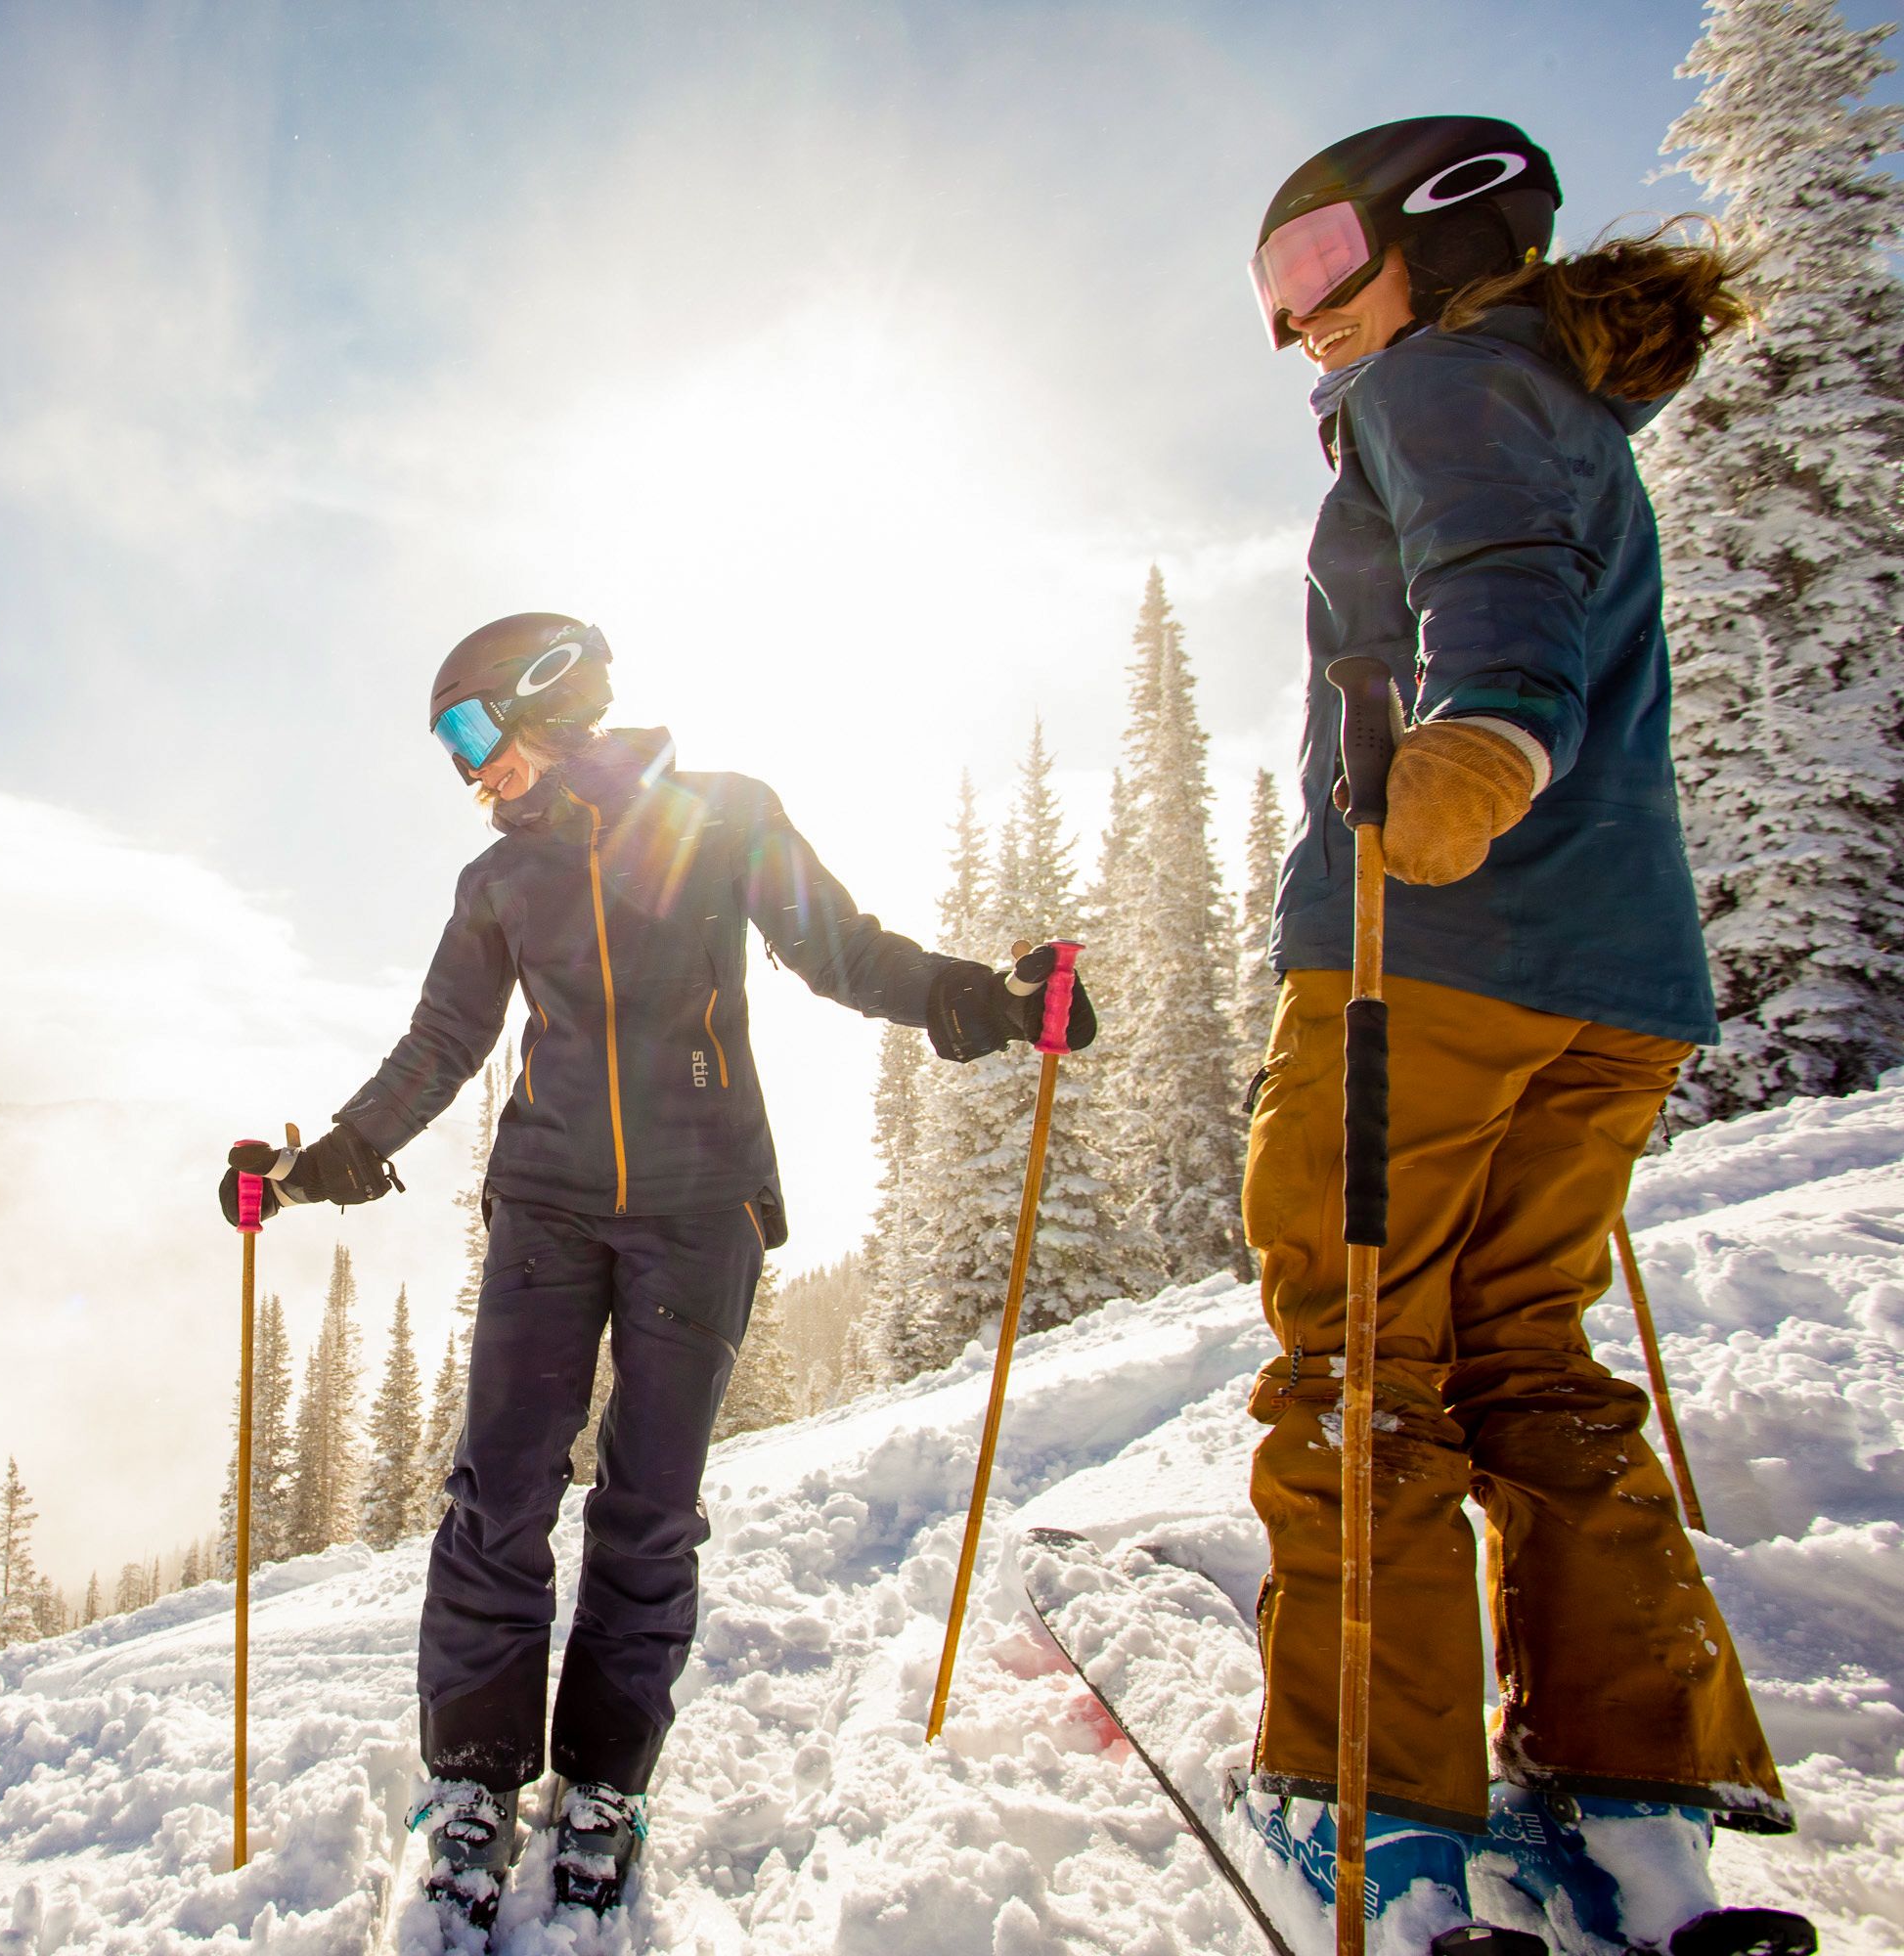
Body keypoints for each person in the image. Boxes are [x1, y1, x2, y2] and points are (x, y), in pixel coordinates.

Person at [223, 613, 1091, 1932]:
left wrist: (987, 1002)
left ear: (547, 701)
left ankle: (605, 1787)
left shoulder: (724, 818)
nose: (468, 771)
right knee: (499, 1492)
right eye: (447, 748)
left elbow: (843, 955)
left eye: (470, 731)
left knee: (649, 1508)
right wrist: (313, 1165)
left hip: (702, 1212)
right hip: (546, 1210)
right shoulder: (497, 884)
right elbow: (440, 1047)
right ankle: (471, 1783)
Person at [1242, 116, 1809, 1956]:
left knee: (1361, 1361)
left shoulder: (1449, 383)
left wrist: (1486, 731)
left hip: (1433, 955)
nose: (1297, 322)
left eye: (1317, 266)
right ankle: (1636, 1805)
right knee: (1530, 1359)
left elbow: (1499, 590)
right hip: (1611, 979)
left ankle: (1375, 1807)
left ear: (1444, 235)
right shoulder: (1563, 396)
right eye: (1273, 296)